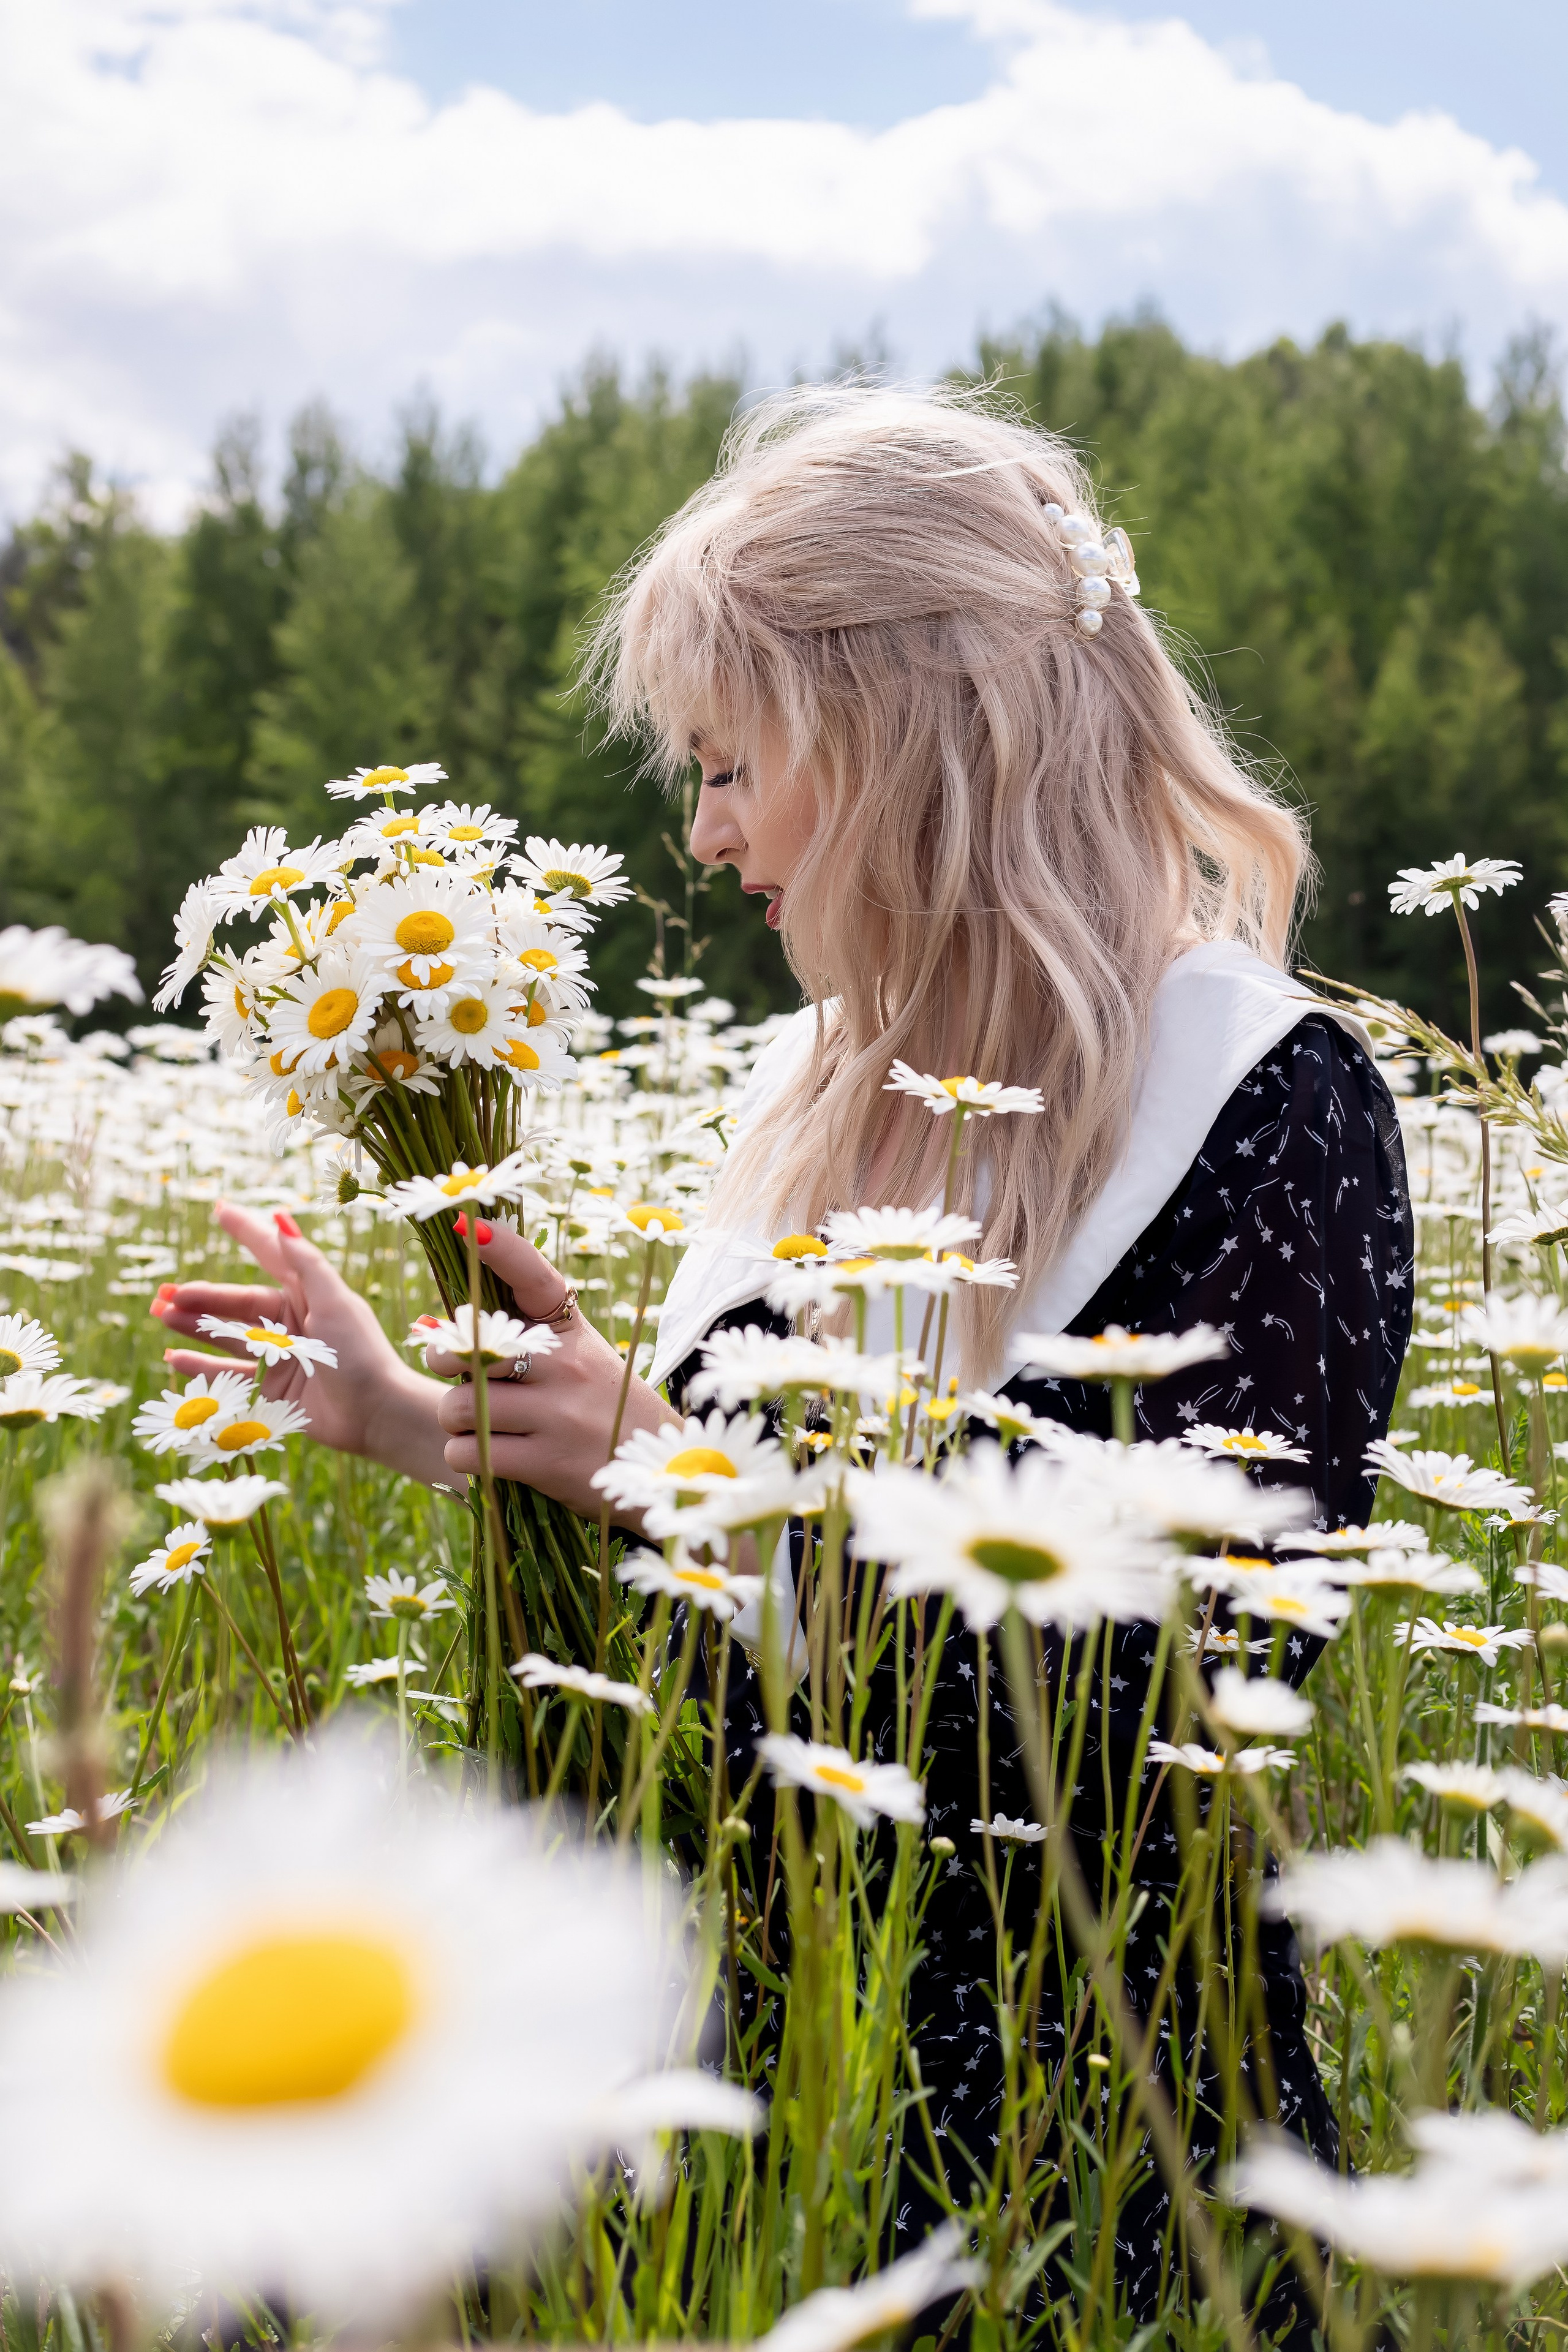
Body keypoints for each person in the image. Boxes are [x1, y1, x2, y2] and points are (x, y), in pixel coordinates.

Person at [156, 386, 1412, 2330]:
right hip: (718, 2102)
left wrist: (669, 1464)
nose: (707, 827)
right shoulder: (804, 1088)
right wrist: (437, 1426)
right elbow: (695, 1621)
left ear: (918, 740)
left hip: (1068, 2139)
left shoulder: (1263, 1093)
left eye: (738, 762)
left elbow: (1192, 1691)